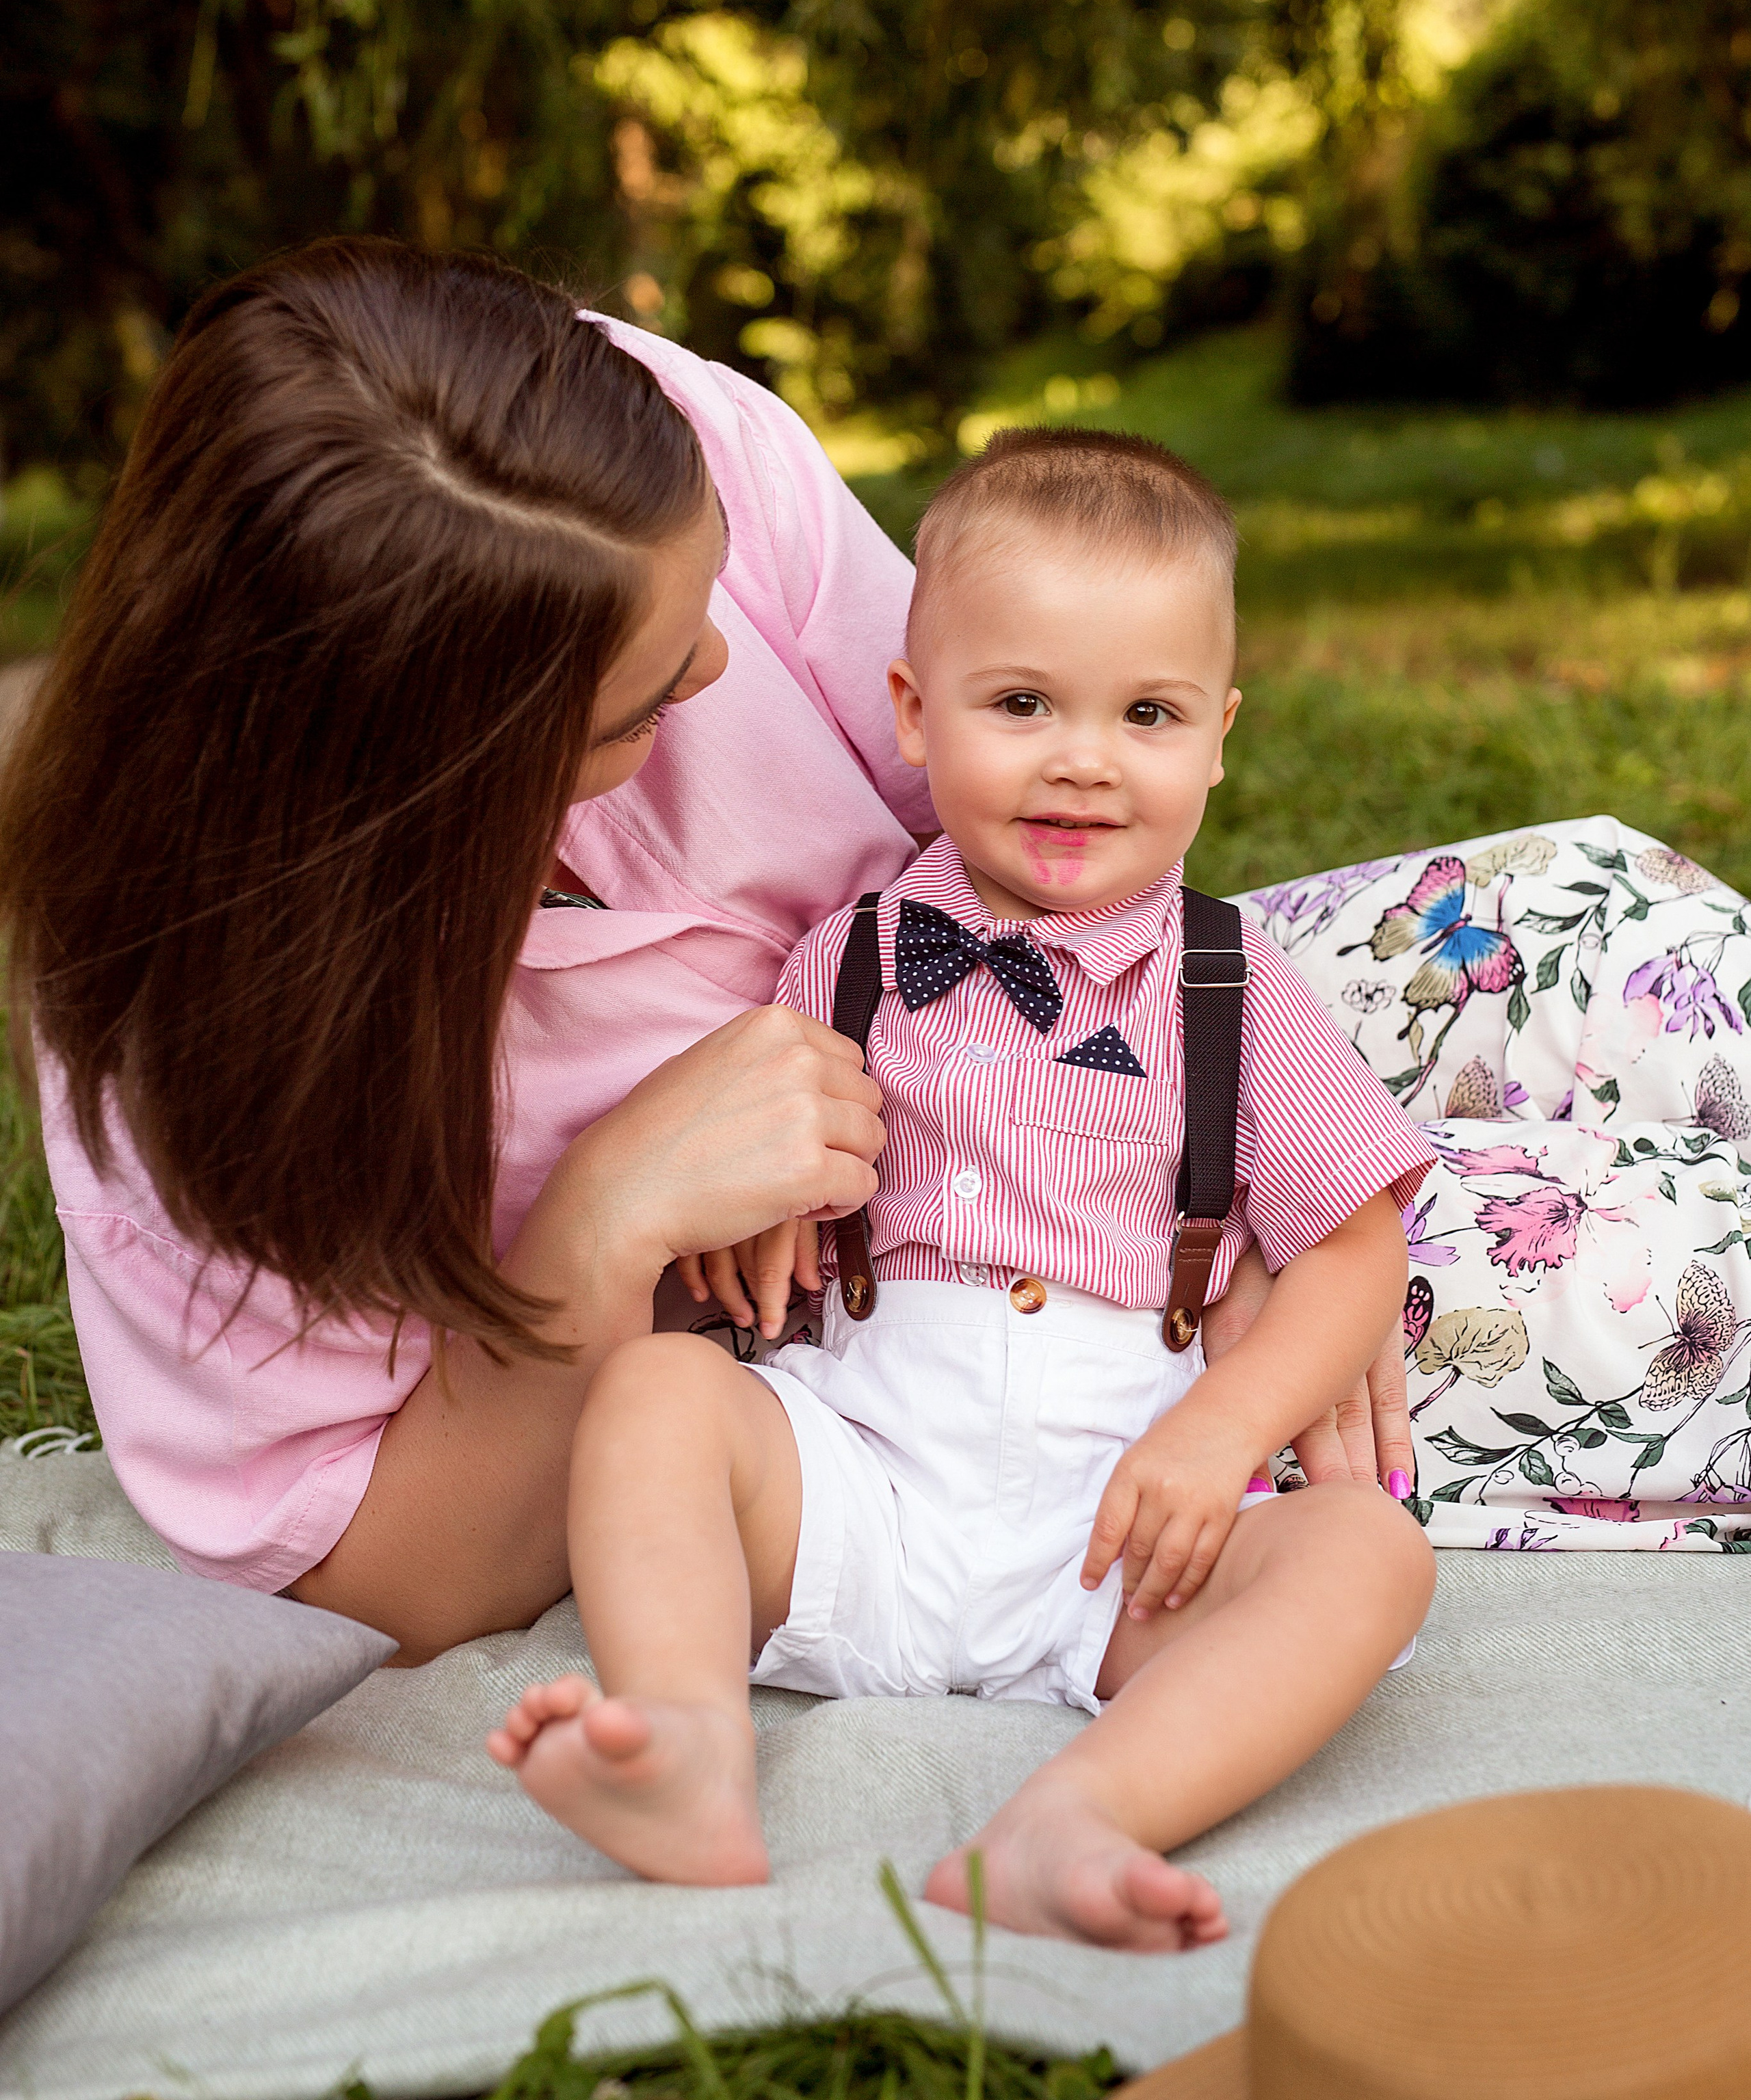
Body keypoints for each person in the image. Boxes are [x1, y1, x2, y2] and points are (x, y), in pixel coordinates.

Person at [0, 241, 1413, 1663]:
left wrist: (1204, 1177)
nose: (721, 668)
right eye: (642, 711)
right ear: (440, 795)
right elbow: (377, 1577)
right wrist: (603, 1219)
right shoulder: (186, 1069)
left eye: (711, 591)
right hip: (837, 1451)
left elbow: (1044, 772)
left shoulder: (611, 437)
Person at [486, 429, 1438, 1947]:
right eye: (1020, 704)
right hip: (865, 1474)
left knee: (1365, 1555)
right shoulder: (851, 953)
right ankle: (684, 1745)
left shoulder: (1229, 978)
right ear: (916, 715)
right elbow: (778, 1142)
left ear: (1217, 738)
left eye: (1146, 714)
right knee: (660, 1395)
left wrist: (1223, 1431)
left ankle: (1077, 1820)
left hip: (1117, 1526)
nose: (1082, 758)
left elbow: (1353, 1247)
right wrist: (768, 1210)